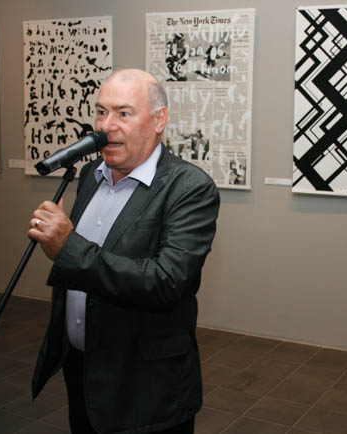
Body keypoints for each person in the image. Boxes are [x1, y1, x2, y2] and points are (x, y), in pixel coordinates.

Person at [28, 69, 220, 434]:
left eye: (123, 113)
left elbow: (166, 282)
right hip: (83, 371)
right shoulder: (91, 175)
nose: (106, 126)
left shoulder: (190, 188)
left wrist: (68, 246)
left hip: (146, 385)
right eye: (101, 112)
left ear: (159, 120)